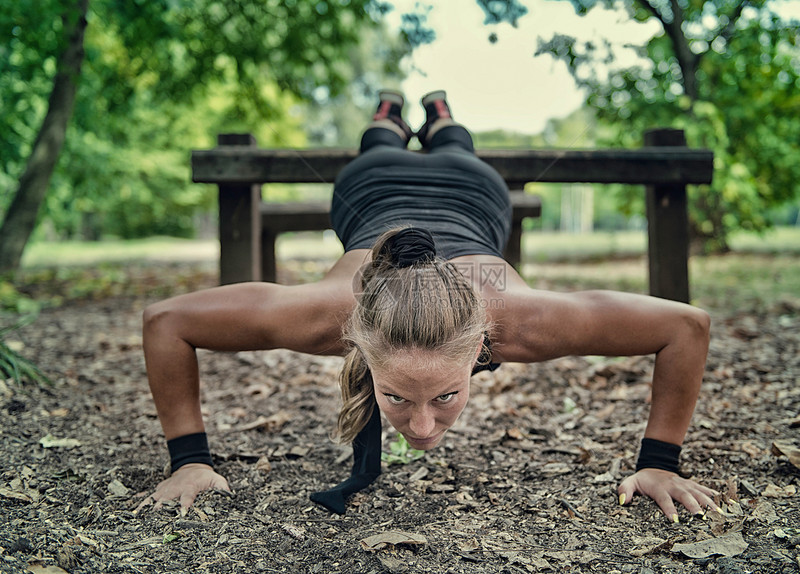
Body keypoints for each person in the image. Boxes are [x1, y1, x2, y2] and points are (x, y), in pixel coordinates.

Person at [136, 90, 717, 521]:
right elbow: (167, 323)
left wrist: (660, 462)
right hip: (375, 186)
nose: (422, 426)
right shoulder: (324, 314)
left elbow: (686, 328)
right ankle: (395, 118)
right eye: (395, 395)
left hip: (472, 189)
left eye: (444, 396)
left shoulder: (527, 322)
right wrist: (187, 459)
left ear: (483, 341)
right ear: (358, 339)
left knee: (450, 148)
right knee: (383, 148)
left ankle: (433, 117)